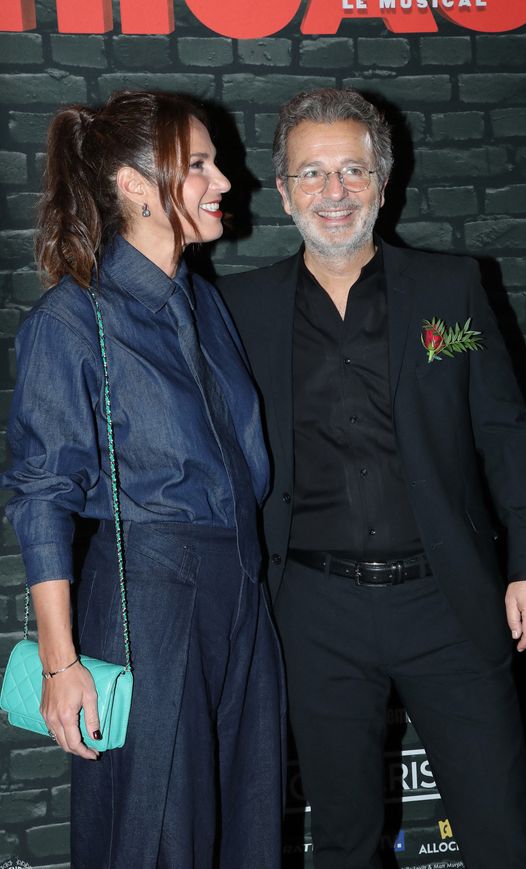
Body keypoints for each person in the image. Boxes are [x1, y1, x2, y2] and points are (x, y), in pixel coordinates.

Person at [218, 87, 526, 869]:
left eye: (351, 171)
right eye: (312, 174)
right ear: (283, 190)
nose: (332, 193)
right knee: (342, 841)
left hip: (449, 601)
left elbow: (506, 433)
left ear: (383, 179)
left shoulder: (450, 293)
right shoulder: (239, 309)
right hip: (312, 610)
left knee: (505, 833)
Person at [2, 91, 285, 869]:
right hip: (149, 598)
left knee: (246, 822)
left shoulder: (203, 303)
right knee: (156, 833)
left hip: (239, 591)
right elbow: (42, 496)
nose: (224, 179)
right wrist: (62, 666)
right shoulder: (70, 318)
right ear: (133, 184)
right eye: (196, 165)